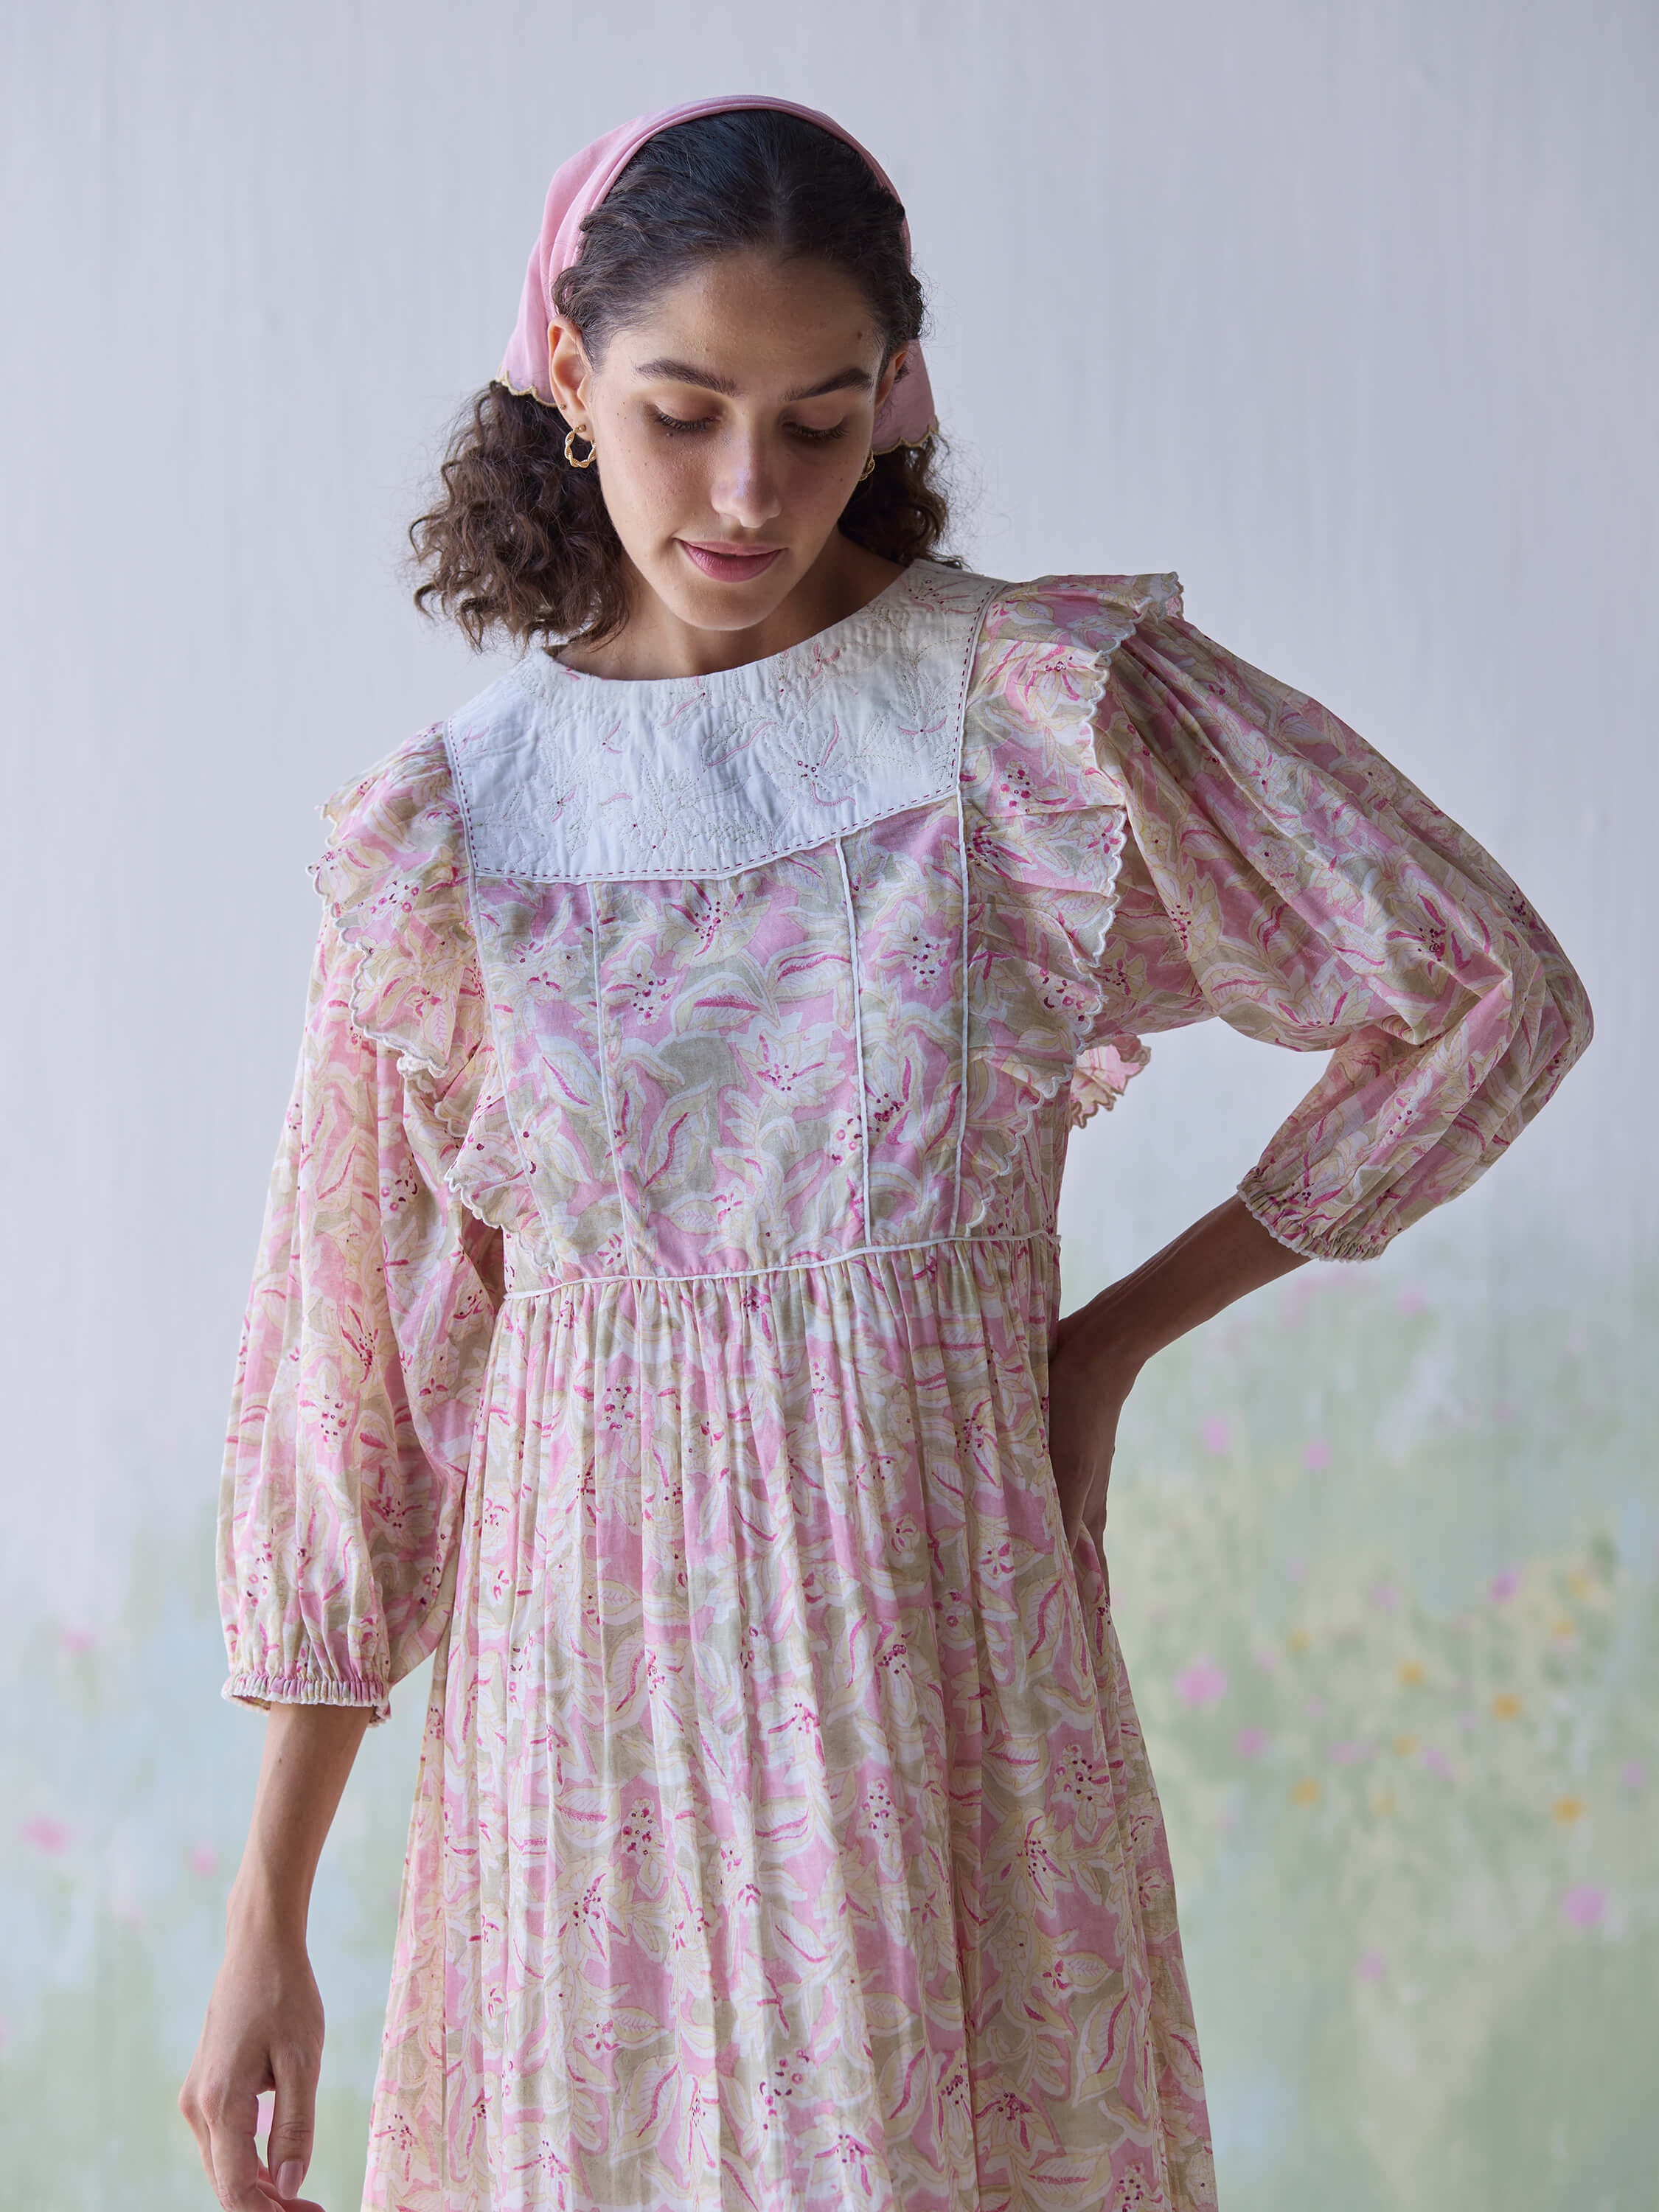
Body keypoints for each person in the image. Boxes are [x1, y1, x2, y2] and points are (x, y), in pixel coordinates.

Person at [178, 94, 1592, 2212]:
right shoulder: (444, 843)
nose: (748, 490)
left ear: (888, 404)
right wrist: (262, 1928)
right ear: (563, 378)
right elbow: (348, 1405)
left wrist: (1105, 1344)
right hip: (585, 1728)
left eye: (818, 421)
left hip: (931, 1679)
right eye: (680, 412)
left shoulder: (1018, 714)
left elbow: (1483, 990)